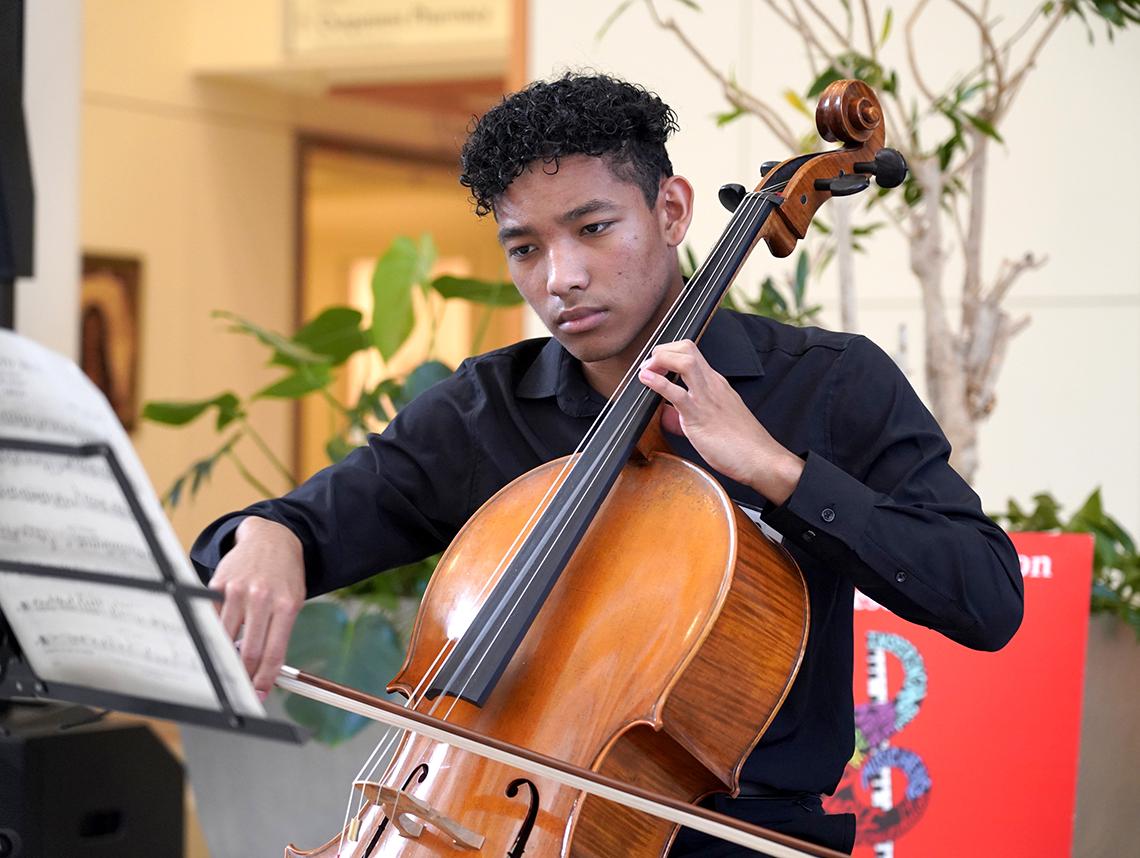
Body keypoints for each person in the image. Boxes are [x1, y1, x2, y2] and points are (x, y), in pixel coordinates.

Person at [191, 73, 1023, 856]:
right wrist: (270, 536)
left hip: (742, 840)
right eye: (525, 249)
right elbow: (307, 524)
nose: (563, 279)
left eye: (593, 229)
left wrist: (777, 470)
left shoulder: (831, 384)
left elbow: (986, 598)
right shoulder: (489, 409)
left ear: (671, 209)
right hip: (484, 822)